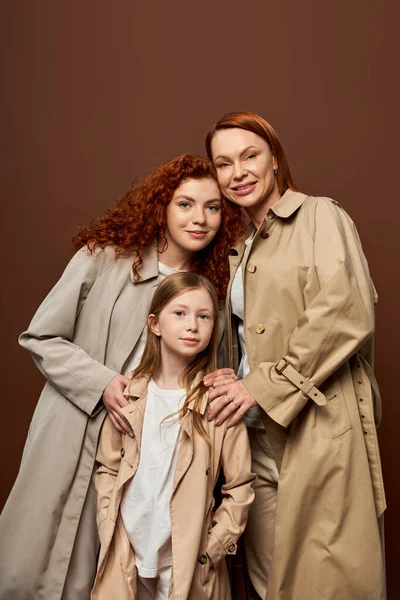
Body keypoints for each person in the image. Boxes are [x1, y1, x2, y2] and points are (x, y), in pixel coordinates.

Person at [0, 154, 244, 600]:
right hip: (77, 427)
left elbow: (212, 368)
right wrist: (102, 383)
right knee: (44, 563)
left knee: (117, 571)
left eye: (212, 207)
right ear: (161, 206)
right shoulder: (105, 258)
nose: (200, 218)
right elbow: (41, 336)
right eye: (185, 204)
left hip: (151, 447)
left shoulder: (216, 286)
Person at [203, 112, 386, 600]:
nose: (237, 172)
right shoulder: (238, 247)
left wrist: (258, 385)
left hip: (320, 428)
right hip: (254, 439)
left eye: (249, 156)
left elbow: (345, 307)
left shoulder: (319, 216)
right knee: (270, 582)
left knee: (329, 580)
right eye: (223, 163)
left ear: (275, 159)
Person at [91, 272, 256, 600]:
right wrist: (109, 521)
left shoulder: (218, 403)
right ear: (154, 323)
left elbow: (240, 488)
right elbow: (107, 469)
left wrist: (210, 550)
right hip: (128, 556)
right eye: (179, 313)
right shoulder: (129, 395)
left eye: (203, 316)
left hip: (188, 563)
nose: (192, 325)